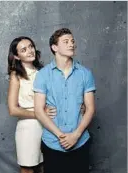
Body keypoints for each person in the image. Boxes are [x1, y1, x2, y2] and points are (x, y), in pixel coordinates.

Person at [33, 28, 96, 173]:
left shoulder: (85, 73)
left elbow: (90, 109)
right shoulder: (43, 75)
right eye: (66, 42)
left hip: (80, 141)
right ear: (54, 47)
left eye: (73, 41)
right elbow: (39, 110)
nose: (71, 44)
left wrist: (75, 135)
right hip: (52, 142)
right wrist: (60, 136)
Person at [7, 36, 57, 173]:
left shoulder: (43, 72)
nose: (30, 51)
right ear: (17, 56)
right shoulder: (16, 76)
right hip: (28, 128)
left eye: (31, 46)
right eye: (23, 50)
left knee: (43, 168)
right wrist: (40, 114)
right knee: (28, 169)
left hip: (47, 126)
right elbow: (13, 110)